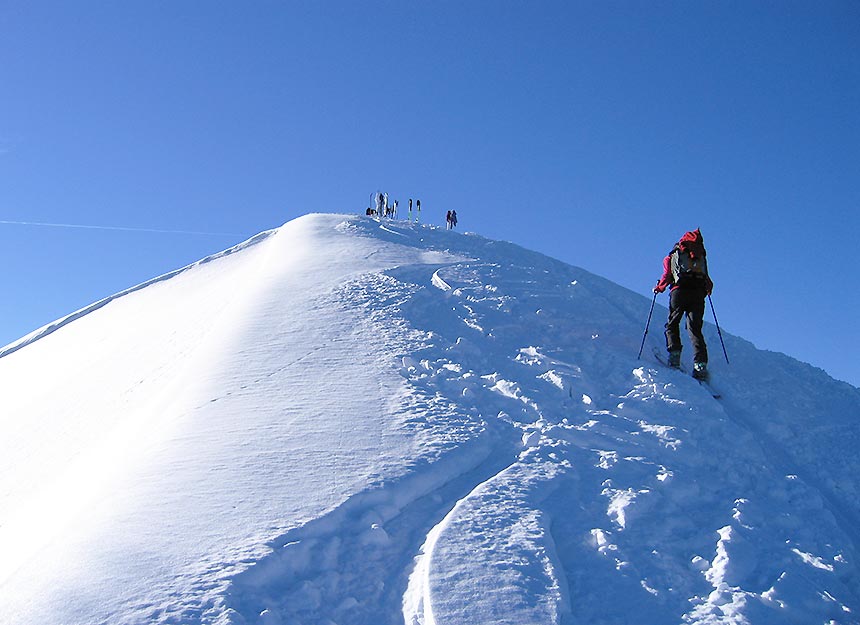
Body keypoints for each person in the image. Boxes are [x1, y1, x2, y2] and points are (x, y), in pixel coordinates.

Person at [653, 228, 713, 379]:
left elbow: (667, 276)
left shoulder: (673, 255)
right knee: (695, 329)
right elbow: (708, 282)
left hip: (679, 293)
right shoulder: (701, 257)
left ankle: (674, 356)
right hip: (698, 295)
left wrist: (659, 288)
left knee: (673, 323)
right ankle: (700, 366)